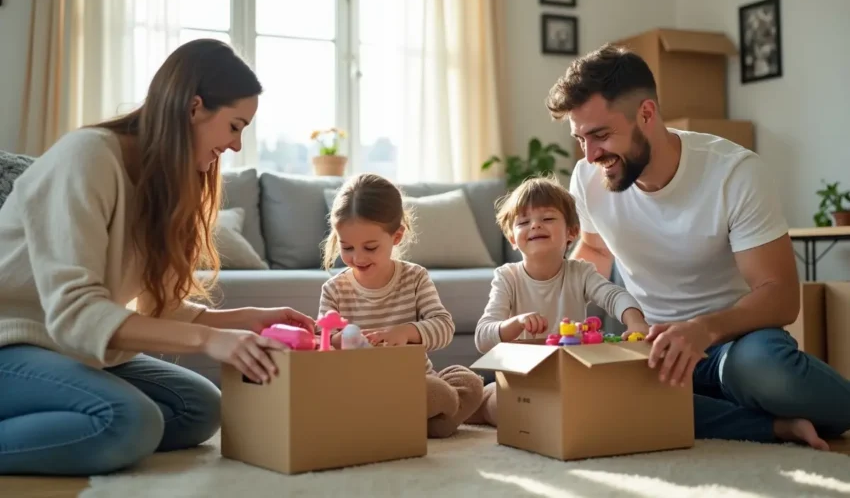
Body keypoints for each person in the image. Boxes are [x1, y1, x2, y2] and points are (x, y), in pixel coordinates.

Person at [0, 39, 316, 476]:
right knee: (130, 421)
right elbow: (74, 313)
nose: (237, 145)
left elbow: (160, 307)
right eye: (235, 126)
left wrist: (247, 319)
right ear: (194, 108)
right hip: (11, 343)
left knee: (199, 409)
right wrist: (210, 342)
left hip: (65, 351)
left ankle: (72, 425)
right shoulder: (88, 157)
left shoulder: (164, 182)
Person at [545, 42, 850, 450]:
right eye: (580, 138)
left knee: (763, 370)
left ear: (647, 114)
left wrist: (702, 330)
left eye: (600, 135)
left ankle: (728, 400)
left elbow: (780, 297)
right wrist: (553, 318)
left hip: (735, 345)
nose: (590, 154)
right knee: (590, 390)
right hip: (653, 349)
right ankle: (771, 425)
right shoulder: (588, 177)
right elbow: (595, 253)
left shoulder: (734, 173)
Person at [467, 175, 650, 426]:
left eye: (548, 218)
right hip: (523, 380)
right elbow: (483, 337)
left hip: (570, 380)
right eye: (523, 221)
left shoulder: (581, 273)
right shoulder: (507, 277)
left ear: (572, 233)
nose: (535, 226)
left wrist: (636, 322)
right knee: (505, 405)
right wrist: (517, 323)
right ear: (512, 238)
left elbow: (614, 295)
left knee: (605, 402)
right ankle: (477, 400)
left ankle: (482, 397)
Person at [318, 173, 484, 438]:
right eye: (347, 247)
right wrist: (340, 342)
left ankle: (416, 417)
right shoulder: (335, 289)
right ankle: (433, 422)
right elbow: (319, 342)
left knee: (467, 382)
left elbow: (443, 326)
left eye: (370, 247)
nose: (357, 257)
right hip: (360, 389)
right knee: (444, 396)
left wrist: (406, 333)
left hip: (416, 384)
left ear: (396, 237)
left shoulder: (415, 278)